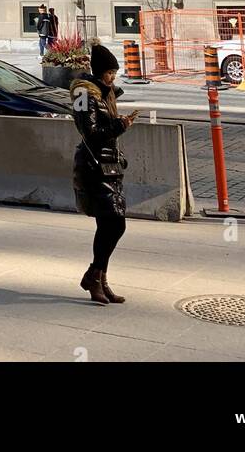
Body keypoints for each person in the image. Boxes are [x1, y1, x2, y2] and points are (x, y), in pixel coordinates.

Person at [70, 41, 139, 305]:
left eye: (115, 72)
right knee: (114, 222)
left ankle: (99, 278)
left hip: (109, 166)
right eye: (110, 73)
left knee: (110, 224)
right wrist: (120, 125)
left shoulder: (103, 94)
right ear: (99, 72)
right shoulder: (84, 95)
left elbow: (104, 128)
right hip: (94, 166)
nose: (113, 77)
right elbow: (90, 132)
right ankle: (94, 276)